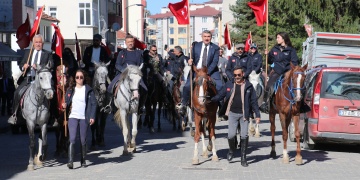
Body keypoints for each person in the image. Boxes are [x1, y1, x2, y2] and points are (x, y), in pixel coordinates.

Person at [211, 66, 260, 166]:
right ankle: (231, 150)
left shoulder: (249, 86)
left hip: (244, 114)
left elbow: (254, 101)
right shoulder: (229, 84)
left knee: (244, 135)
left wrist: (257, 115)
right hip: (232, 114)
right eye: (235, 75)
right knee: (231, 135)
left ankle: (243, 158)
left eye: (239, 75)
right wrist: (210, 100)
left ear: (243, 74)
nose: (237, 77)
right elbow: (220, 95)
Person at [9, 34, 53, 124]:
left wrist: (39, 67)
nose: (38, 44)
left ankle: (52, 116)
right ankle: (14, 115)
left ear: (43, 44)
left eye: (40, 42)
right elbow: (21, 64)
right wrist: (24, 66)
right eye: (36, 42)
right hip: (29, 79)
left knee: (52, 93)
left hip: (42, 81)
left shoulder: (47, 54)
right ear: (33, 43)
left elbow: (51, 65)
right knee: (17, 92)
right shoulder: (28, 53)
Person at [62, 69, 97, 169]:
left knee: (83, 139)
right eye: (77, 77)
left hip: (84, 117)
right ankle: (70, 161)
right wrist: (64, 105)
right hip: (73, 116)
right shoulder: (70, 90)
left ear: (84, 78)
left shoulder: (89, 90)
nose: (79, 79)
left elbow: (94, 104)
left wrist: (92, 117)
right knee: (72, 139)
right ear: (75, 78)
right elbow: (67, 102)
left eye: (81, 77)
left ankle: (83, 160)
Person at [181, 30, 223, 113]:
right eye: (205, 36)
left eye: (208, 37)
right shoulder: (196, 46)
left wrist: (206, 72)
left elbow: (215, 62)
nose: (207, 38)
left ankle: (221, 107)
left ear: (211, 37)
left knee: (220, 86)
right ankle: (184, 104)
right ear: (202, 37)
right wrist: (190, 61)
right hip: (196, 71)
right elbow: (191, 58)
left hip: (211, 71)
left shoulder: (215, 48)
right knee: (187, 86)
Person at [259, 32, 300, 113]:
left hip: (287, 72)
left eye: (278, 37)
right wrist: (267, 55)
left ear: (283, 38)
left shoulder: (291, 50)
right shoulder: (274, 49)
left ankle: (300, 104)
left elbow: (295, 62)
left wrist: (289, 69)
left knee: (298, 84)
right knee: (268, 86)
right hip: (276, 71)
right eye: (276, 37)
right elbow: (270, 61)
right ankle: (265, 103)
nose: (277, 39)